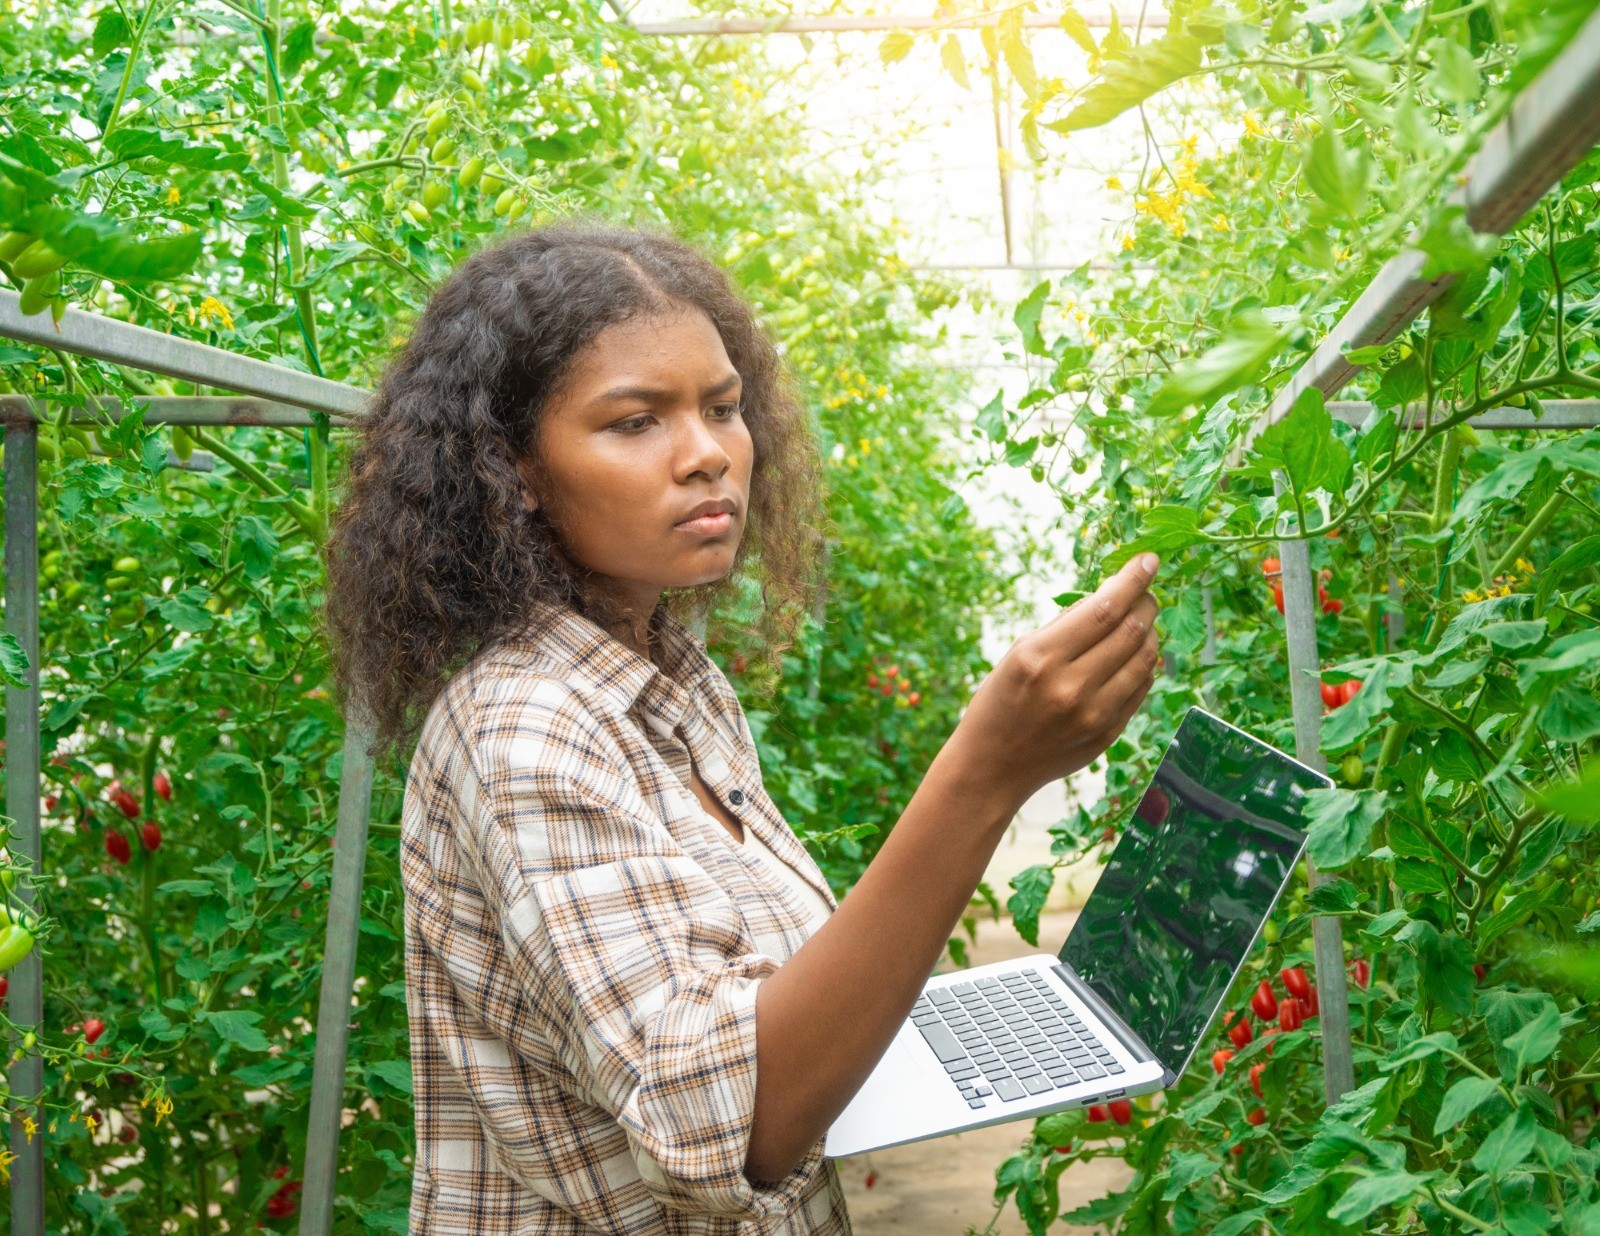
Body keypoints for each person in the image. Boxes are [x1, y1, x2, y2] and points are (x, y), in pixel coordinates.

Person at [322, 219, 1162, 1235]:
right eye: (636, 422)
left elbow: (742, 1011)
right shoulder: (525, 727)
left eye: (723, 408)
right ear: (517, 471)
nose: (708, 454)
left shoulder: (673, 681)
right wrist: (984, 774)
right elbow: (723, 1120)